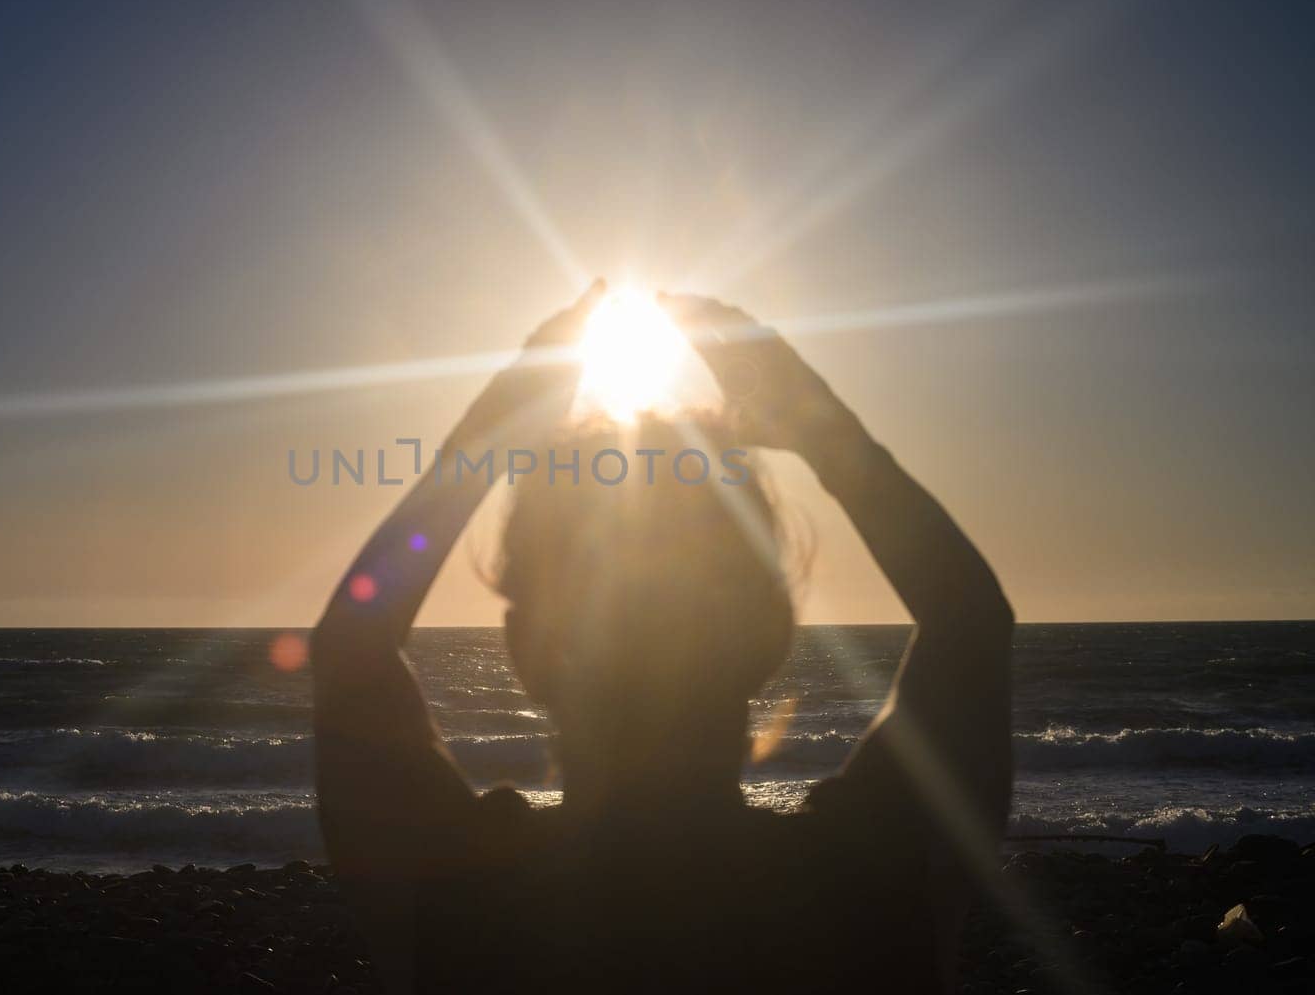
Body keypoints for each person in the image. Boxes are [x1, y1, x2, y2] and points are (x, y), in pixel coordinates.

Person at [311, 281, 1014, 994]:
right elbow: (970, 625)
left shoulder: (462, 895)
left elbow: (351, 652)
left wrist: (489, 440)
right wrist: (828, 434)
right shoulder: (862, 884)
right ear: (770, 632)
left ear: (524, 648)